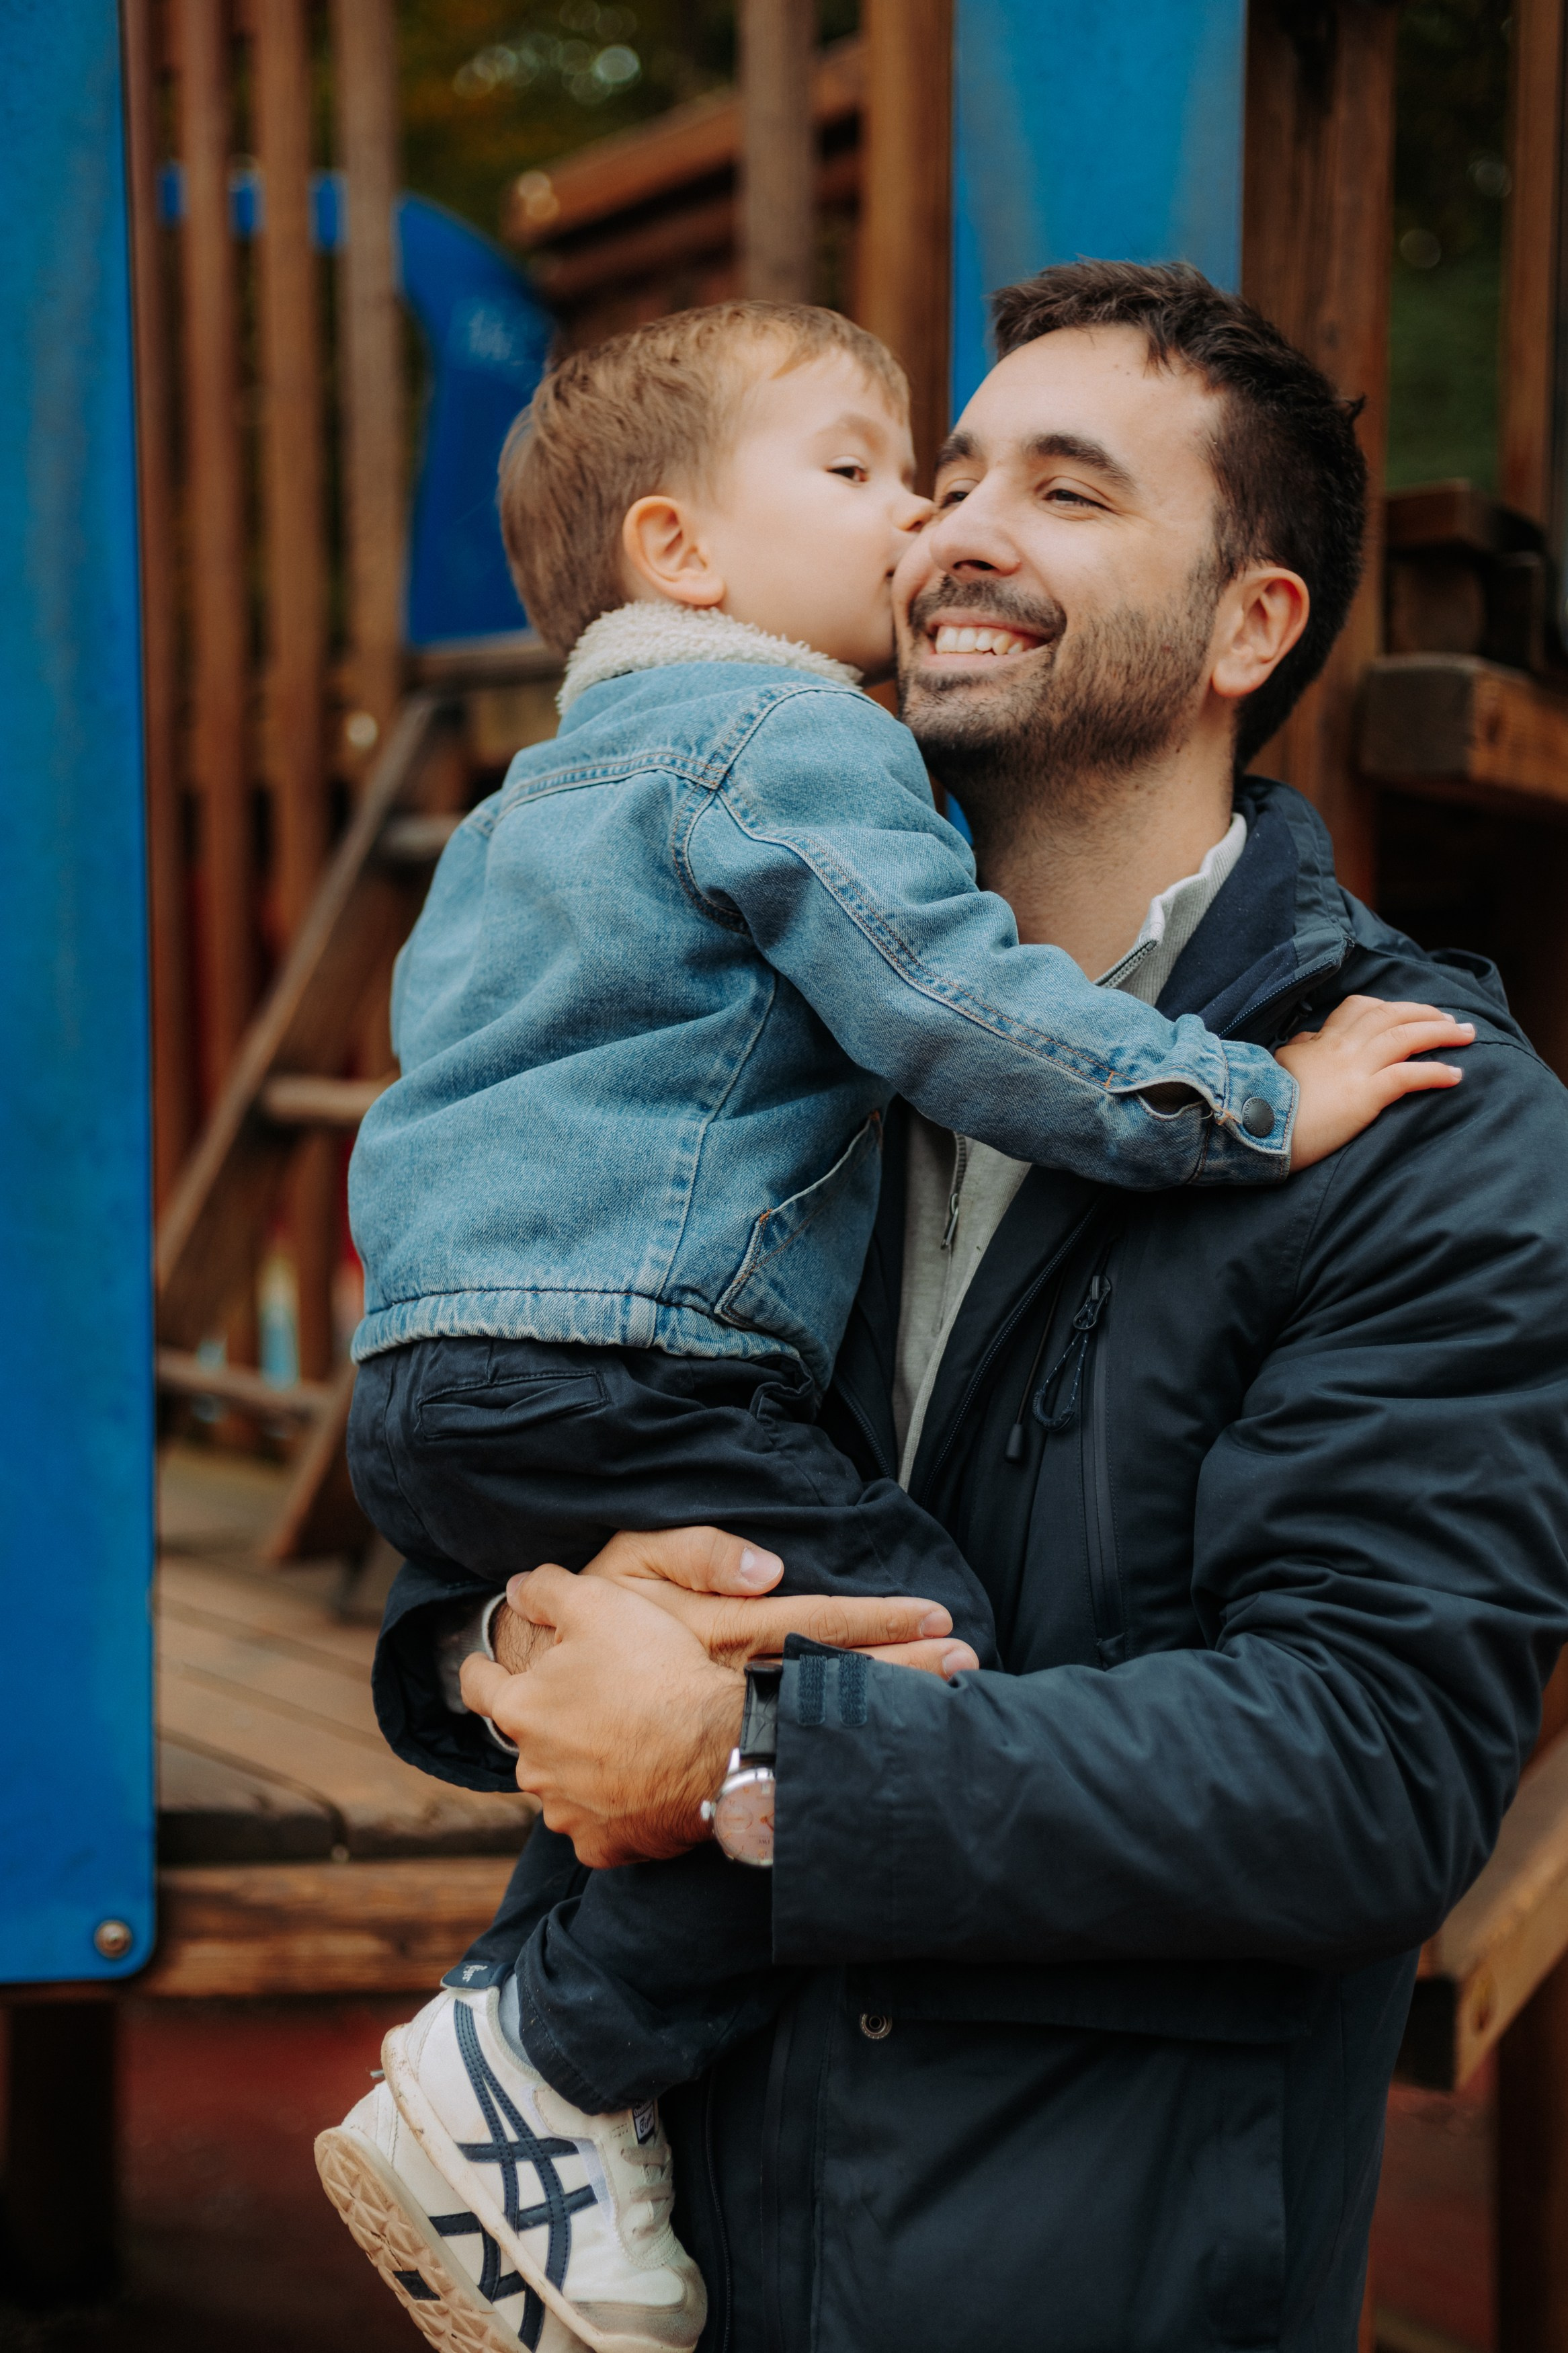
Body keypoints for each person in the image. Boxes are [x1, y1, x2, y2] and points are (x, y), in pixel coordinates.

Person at [376, 262, 1568, 2353]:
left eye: (1070, 490)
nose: (954, 532)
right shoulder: (743, 1044)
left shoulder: (1423, 1123)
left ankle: (539, 2049)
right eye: (936, 475)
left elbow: (1368, 1767)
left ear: (1249, 626)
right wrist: (503, 1655)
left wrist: (746, 1750)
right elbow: (520, 1467)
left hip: (1080, 2279)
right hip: (685, 2272)